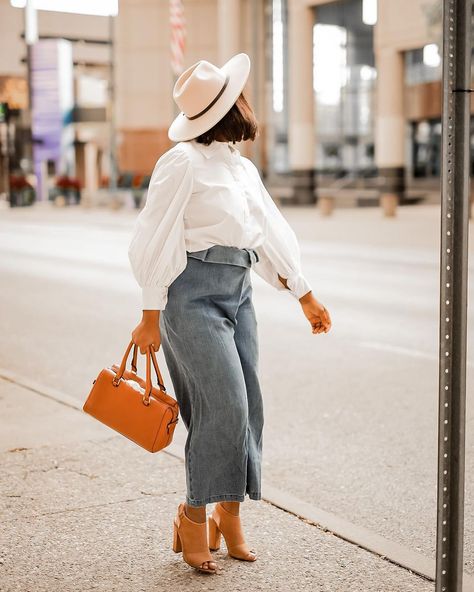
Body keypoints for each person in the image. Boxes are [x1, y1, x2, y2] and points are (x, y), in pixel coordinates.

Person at [128, 52, 331, 575]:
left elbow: (268, 231)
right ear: (222, 110)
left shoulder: (240, 168)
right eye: (235, 99)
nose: (244, 105)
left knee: (249, 408)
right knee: (223, 408)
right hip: (190, 294)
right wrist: (150, 312)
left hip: (239, 292)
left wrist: (302, 292)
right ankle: (193, 519)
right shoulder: (181, 163)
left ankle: (229, 518)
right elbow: (155, 237)